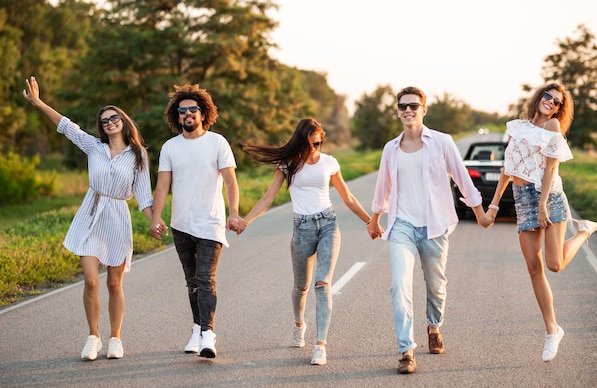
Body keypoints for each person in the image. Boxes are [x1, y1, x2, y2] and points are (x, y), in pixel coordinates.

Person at [22, 76, 154, 361]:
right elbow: (66, 126)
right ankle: (93, 336)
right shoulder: (93, 146)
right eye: (105, 120)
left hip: (117, 218)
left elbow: (144, 197)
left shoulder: (138, 155)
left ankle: (115, 338)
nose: (109, 122)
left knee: (114, 284)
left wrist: (154, 220)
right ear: (102, 127)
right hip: (90, 214)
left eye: (114, 117)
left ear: (123, 120)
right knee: (92, 281)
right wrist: (38, 102)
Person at [367, 86, 492, 374]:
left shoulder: (442, 142)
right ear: (398, 111)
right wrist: (375, 219)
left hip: (435, 226)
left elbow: (463, 179)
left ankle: (434, 326)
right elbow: (383, 188)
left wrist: (480, 214)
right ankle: (406, 350)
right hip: (402, 227)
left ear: (424, 109)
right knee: (400, 285)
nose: (407, 110)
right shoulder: (391, 148)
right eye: (402, 106)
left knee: (437, 287)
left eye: (413, 105)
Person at [241, 118, 374, 365]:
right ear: (301, 140)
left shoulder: (330, 163)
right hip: (301, 229)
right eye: (311, 142)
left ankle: (320, 345)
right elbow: (267, 199)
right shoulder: (288, 164)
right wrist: (245, 221)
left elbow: (348, 196)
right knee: (301, 287)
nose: (315, 147)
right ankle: (298, 325)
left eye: (318, 142)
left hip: (328, 225)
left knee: (322, 284)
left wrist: (370, 222)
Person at [487, 82, 597, 362]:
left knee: (554, 264)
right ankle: (552, 331)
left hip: (548, 197)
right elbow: (508, 168)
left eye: (557, 102)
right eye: (547, 96)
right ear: (539, 97)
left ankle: (584, 232)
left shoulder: (552, 128)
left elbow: (551, 168)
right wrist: (493, 206)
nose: (550, 102)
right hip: (522, 198)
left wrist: (541, 205)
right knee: (534, 266)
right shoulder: (518, 127)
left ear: (560, 109)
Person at [150, 84, 244, 360]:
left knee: (205, 279)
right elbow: (162, 186)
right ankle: (196, 328)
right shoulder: (170, 147)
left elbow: (230, 181)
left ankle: (208, 334)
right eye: (183, 111)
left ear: (203, 113)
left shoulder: (217, 143)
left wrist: (234, 212)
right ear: (176, 116)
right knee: (192, 281)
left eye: (193, 110)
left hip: (210, 223)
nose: (188, 114)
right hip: (181, 224)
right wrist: (156, 217)